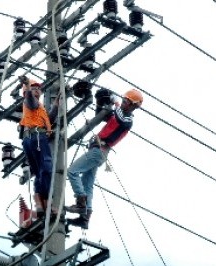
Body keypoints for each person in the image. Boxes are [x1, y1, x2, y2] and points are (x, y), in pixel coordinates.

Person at [65, 88, 144, 229]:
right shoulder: (117, 115)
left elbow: (120, 117)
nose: (124, 103)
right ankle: (85, 217)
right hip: (97, 150)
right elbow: (105, 115)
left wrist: (116, 102)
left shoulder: (127, 120)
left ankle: (80, 203)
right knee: (87, 183)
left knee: (72, 171)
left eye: (127, 101)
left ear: (133, 106)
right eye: (124, 100)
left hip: (99, 151)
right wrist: (103, 102)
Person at [18, 76, 58, 219]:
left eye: (38, 89)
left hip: (32, 139)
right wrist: (27, 87)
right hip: (36, 138)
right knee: (46, 168)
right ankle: (47, 202)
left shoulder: (40, 109)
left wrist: (56, 105)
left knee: (40, 172)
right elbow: (30, 99)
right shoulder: (29, 102)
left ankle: (39, 203)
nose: (36, 91)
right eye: (33, 89)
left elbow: (49, 119)